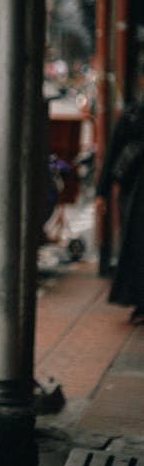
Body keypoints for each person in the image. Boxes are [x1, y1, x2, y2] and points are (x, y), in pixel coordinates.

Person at [96, 91, 144, 323]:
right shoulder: (132, 116)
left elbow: (112, 152)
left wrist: (102, 192)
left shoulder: (131, 116)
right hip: (133, 194)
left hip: (131, 194)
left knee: (133, 246)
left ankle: (137, 301)